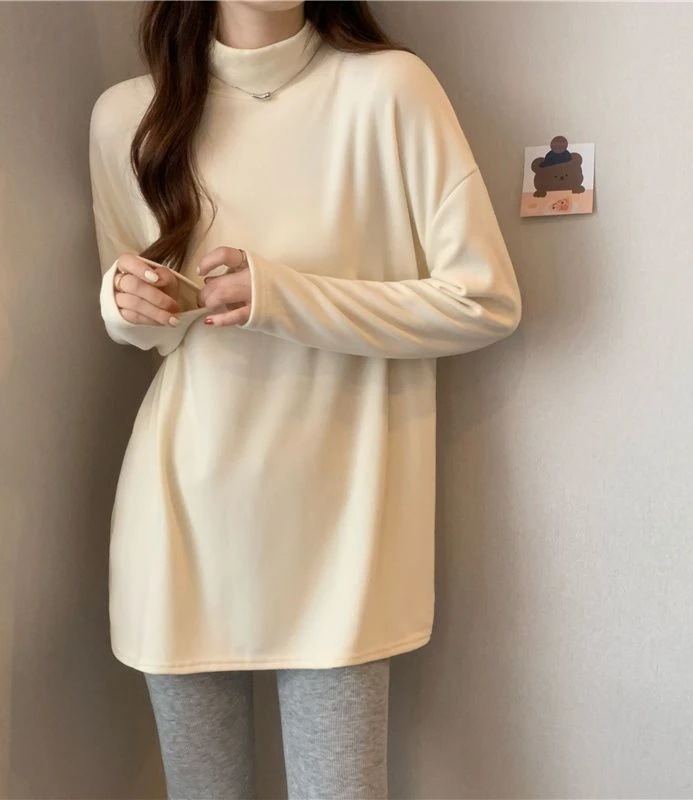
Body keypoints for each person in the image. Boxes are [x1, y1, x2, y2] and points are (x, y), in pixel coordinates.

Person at [88, 1, 522, 797]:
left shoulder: (390, 89)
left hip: (342, 535)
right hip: (182, 523)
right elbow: (158, 333)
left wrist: (284, 296)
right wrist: (122, 301)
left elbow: (484, 300)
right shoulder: (128, 116)